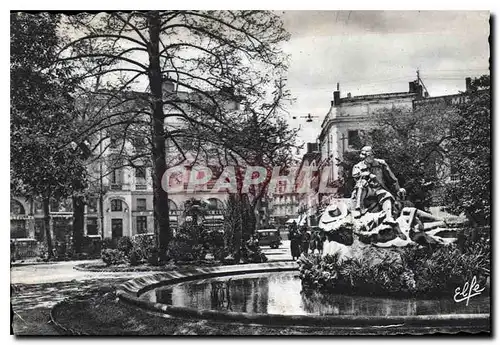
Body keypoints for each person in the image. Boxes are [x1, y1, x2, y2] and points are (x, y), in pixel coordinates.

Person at [351, 146, 406, 224]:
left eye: (372, 155)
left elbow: (392, 178)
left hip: (379, 188)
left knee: (387, 196)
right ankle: (358, 209)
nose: (371, 157)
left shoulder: (381, 164)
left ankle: (388, 217)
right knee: (361, 183)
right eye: (369, 155)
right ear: (364, 156)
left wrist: (398, 189)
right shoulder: (358, 166)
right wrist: (368, 175)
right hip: (366, 190)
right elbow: (356, 176)